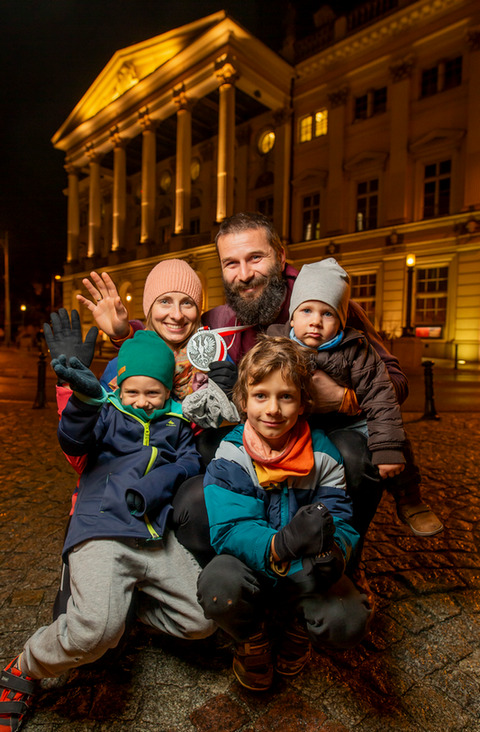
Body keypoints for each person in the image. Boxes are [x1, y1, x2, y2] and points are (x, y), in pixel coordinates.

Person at [0, 329, 215, 732]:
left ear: (168, 391)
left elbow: (190, 462)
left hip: (154, 535)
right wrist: (82, 401)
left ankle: (126, 608)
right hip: (103, 527)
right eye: (133, 391)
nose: (142, 402)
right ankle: (26, 664)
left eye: (153, 393)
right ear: (120, 385)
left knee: (202, 619)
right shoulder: (107, 411)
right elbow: (74, 439)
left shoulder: (177, 420)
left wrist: (162, 480)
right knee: (92, 634)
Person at [197, 212, 442, 537]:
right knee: (207, 445)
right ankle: (257, 547)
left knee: (355, 456)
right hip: (269, 424)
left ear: (280, 257)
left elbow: (395, 381)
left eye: (255, 257)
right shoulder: (222, 317)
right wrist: (122, 332)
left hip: (331, 428)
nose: (244, 274)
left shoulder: (325, 303)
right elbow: (169, 326)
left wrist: (344, 399)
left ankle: (343, 558)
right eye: (231, 263)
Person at [196, 336, 370, 691]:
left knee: (348, 618)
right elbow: (230, 530)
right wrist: (280, 544)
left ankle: (298, 625)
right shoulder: (232, 454)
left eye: (285, 396)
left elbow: (341, 517)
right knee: (219, 587)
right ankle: (251, 636)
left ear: (304, 403)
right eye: (261, 396)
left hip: (306, 573)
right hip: (253, 567)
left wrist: (337, 552)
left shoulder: (323, 455)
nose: (273, 409)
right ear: (243, 401)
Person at [269, 258, 425, 536]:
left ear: (341, 322)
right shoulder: (277, 344)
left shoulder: (356, 350)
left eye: (328, 314)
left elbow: (381, 396)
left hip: (348, 421)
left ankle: (408, 493)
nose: (316, 321)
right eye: (306, 310)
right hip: (303, 423)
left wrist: (387, 448)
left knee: (389, 433)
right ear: (292, 317)